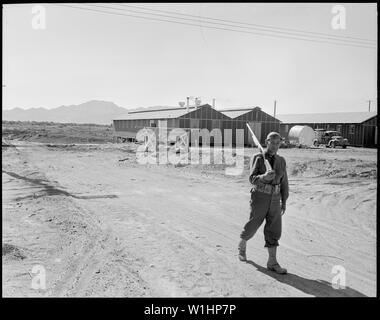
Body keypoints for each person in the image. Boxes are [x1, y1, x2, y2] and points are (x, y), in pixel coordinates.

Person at [238, 131, 289, 274]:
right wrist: (264, 177)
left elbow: (284, 182)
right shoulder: (258, 158)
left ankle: (272, 262)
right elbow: (252, 179)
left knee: (274, 230)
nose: (275, 146)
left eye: (278, 143)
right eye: (272, 143)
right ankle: (242, 244)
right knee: (253, 225)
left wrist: (284, 200)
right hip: (260, 196)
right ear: (267, 142)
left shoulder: (281, 161)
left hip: (275, 198)